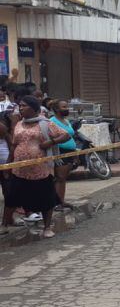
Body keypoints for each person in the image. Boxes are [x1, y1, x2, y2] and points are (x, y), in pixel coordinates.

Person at [2, 96, 68, 239]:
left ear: (33, 108)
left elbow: (65, 135)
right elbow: (14, 145)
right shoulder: (19, 124)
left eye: (24, 106)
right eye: (20, 106)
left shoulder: (46, 123)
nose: (20, 108)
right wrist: (8, 164)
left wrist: (50, 142)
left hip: (41, 170)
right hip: (19, 170)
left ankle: (47, 227)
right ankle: (4, 225)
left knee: (46, 199)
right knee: (12, 198)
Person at [49, 100, 78, 209]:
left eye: (67, 106)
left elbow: (71, 136)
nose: (67, 109)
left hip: (70, 152)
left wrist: (75, 153)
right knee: (59, 178)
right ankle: (57, 203)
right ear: (56, 109)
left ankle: (61, 201)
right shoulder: (52, 121)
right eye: (64, 107)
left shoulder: (66, 121)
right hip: (60, 152)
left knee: (63, 178)